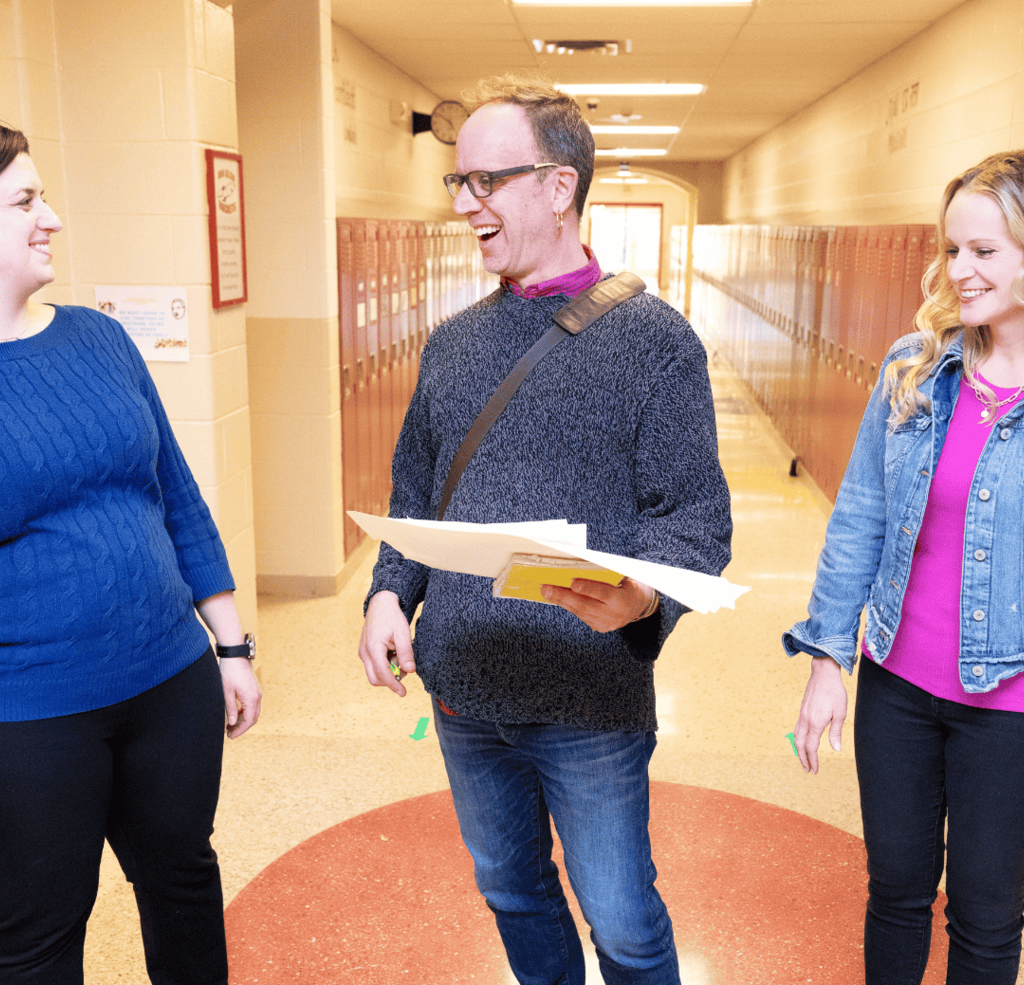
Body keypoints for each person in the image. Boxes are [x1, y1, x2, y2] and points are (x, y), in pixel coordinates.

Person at [357, 75, 731, 985]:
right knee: (512, 890)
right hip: (465, 686)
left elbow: (697, 518)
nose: (465, 205)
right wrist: (385, 592)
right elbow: (417, 491)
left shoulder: (655, 342)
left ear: (558, 187)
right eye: (459, 183)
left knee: (623, 918)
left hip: (587, 697)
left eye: (486, 182)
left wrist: (642, 597)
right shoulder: (449, 344)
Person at [0, 125, 262, 984]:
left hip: (170, 678)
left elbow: (175, 492)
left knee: (184, 880)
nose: (53, 220)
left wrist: (230, 643)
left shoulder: (98, 339)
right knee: (41, 929)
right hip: (31, 712)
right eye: (26, 202)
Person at [786, 151, 1024, 984]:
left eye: (985, 252)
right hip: (898, 684)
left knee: (989, 919)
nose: (960, 271)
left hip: (1011, 706)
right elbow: (859, 517)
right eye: (952, 249)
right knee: (894, 892)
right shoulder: (916, 367)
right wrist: (828, 658)